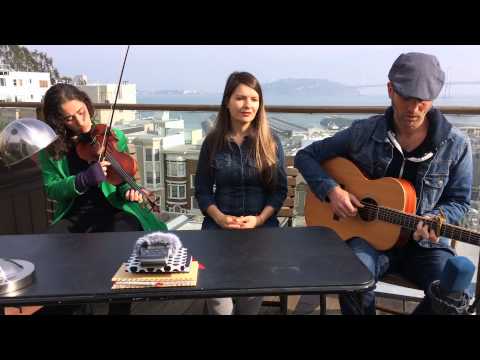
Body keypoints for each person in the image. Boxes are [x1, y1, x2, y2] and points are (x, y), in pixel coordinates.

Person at [294, 52, 473, 315]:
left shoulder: (456, 145)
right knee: (353, 276)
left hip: (422, 245)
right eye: (406, 98)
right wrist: (331, 190)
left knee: (455, 292)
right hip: (368, 242)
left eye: (422, 101)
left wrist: (438, 216)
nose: (413, 109)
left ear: (433, 98)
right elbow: (305, 156)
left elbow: (459, 201)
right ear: (390, 90)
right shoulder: (363, 132)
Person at [37, 83, 167, 314]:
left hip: (116, 210)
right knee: (52, 249)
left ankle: (119, 309)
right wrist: (82, 180)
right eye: (69, 119)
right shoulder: (52, 149)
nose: (80, 122)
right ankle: (74, 305)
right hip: (77, 213)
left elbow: (123, 181)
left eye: (81, 112)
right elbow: (52, 189)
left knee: (121, 244)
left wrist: (129, 190)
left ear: (87, 105)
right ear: (58, 122)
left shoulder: (112, 136)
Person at [195, 71, 288, 315]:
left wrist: (258, 220)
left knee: (252, 289)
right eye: (240, 98)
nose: (248, 105)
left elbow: (279, 191)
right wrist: (219, 218)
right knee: (218, 297)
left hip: (261, 227)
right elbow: (203, 190)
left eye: (254, 98)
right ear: (227, 101)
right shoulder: (213, 142)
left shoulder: (271, 142)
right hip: (219, 226)